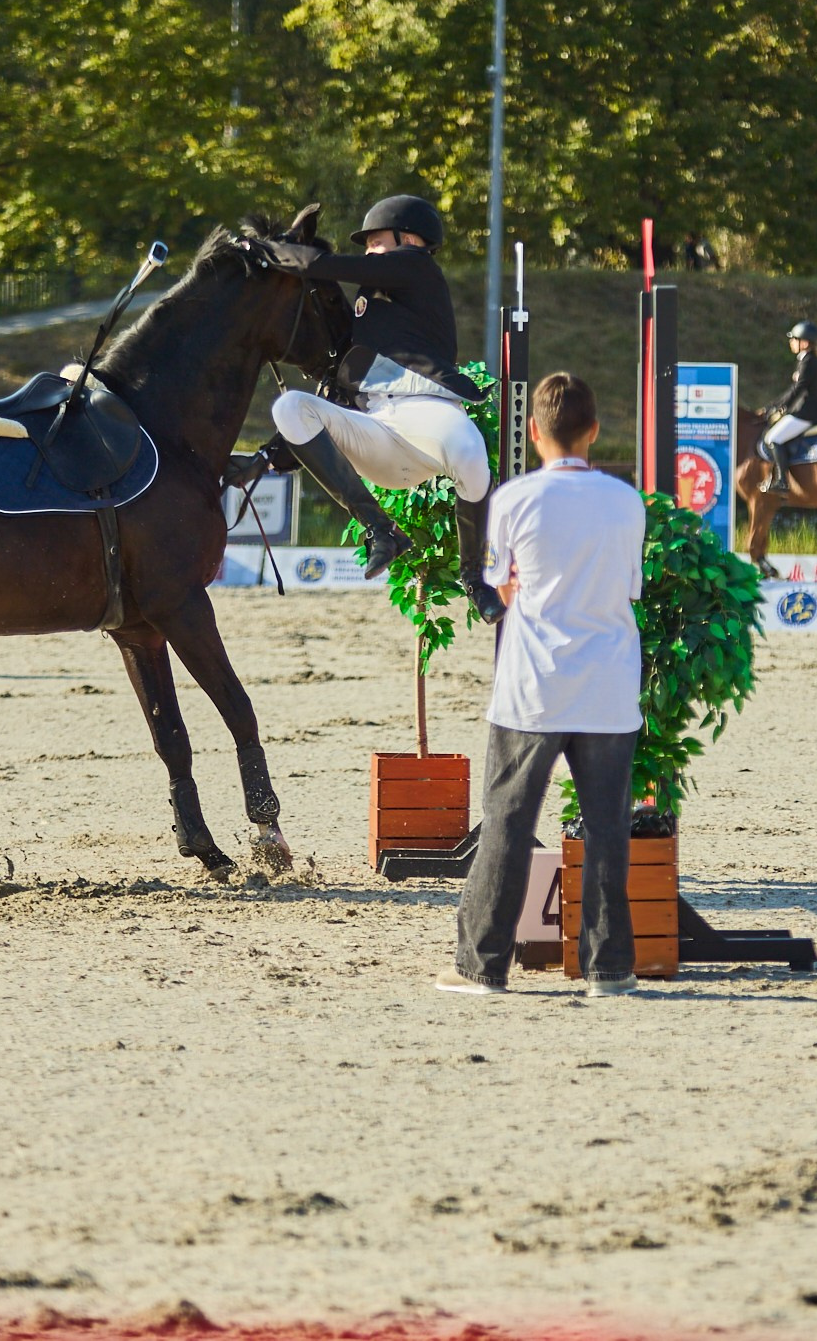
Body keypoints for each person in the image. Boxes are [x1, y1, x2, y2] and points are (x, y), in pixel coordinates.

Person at [437, 372, 647, 998]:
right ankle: (610, 969)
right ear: (594, 432)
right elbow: (630, 587)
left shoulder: (512, 499)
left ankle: (482, 965)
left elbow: (504, 587)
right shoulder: (626, 501)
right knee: (608, 826)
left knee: (507, 819)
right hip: (608, 683)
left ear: (533, 433)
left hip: (533, 684)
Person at [260, 194, 504, 621]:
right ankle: (381, 530)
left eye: (375, 241)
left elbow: (328, 266)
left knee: (468, 450)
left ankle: (474, 578)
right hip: (376, 428)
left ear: (408, 238)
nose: (369, 251)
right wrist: (267, 455)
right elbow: (333, 394)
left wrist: (265, 251)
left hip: (428, 414)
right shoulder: (369, 304)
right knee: (290, 408)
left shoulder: (416, 266)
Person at [758, 320, 817, 495]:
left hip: (807, 412)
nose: (791, 342)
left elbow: (798, 390)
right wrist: (773, 406)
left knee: (772, 438)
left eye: (794, 339)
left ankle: (782, 481)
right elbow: (793, 390)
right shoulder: (806, 360)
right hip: (803, 409)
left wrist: (779, 408)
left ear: (804, 343)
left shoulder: (808, 362)